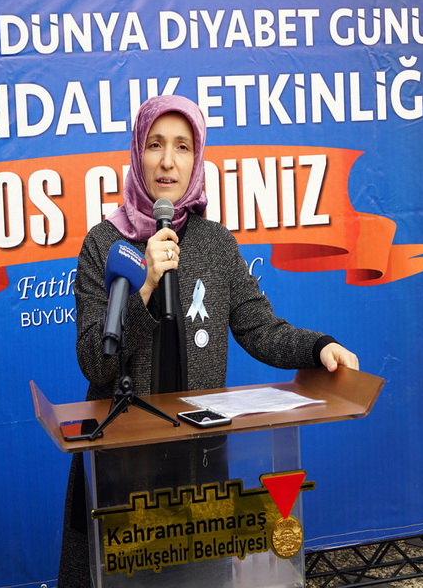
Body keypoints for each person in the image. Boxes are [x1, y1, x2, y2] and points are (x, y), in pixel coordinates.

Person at [57, 94, 358, 587]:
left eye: (182, 146)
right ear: (137, 153)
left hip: (198, 459)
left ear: (197, 160)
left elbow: (260, 327)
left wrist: (317, 347)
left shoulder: (215, 243)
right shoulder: (103, 244)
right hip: (121, 465)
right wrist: (145, 286)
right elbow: (96, 362)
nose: (168, 161)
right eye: (155, 144)